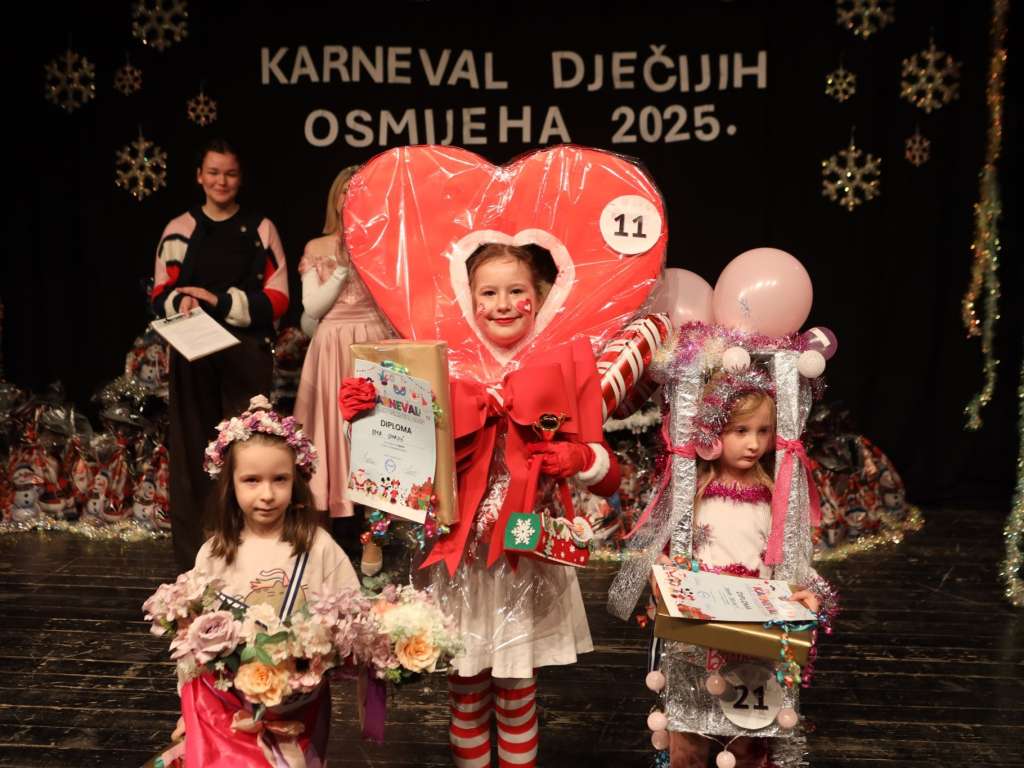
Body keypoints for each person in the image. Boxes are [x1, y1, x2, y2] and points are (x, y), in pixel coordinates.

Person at [424, 243, 620, 768]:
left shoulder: (561, 362)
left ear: (540, 297)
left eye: (517, 291)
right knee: (465, 685)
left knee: (517, 690)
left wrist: (579, 456)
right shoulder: (442, 362)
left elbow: (608, 472)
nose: (504, 304)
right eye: (489, 293)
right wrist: (369, 409)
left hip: (526, 556)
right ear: (467, 299)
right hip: (462, 558)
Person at [172, 395, 359, 766]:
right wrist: (186, 709)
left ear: (296, 481)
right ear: (230, 485)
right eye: (252, 481)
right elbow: (190, 639)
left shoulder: (318, 546)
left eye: (280, 480)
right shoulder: (214, 553)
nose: (267, 494)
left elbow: (352, 616)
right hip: (223, 707)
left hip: (298, 708)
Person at [657, 368, 827, 768]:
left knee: (747, 737)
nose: (754, 444)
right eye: (741, 431)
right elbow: (666, 550)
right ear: (714, 432)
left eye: (763, 431)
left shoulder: (774, 496)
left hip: (753, 630)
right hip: (699, 632)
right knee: (689, 738)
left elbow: (792, 558)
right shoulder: (693, 494)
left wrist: (806, 591)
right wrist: (662, 571)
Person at [150, 139, 289, 571]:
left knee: (247, 455)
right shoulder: (179, 229)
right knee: (193, 456)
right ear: (199, 176)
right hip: (193, 356)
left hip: (245, 357)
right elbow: (160, 294)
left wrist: (220, 301)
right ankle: (194, 563)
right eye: (213, 172)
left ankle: (250, 555)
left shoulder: (260, 228)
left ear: (239, 178)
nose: (221, 181)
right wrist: (183, 303)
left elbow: (279, 298)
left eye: (229, 173)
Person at [292, 165, 392, 568]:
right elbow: (312, 308)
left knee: (376, 440)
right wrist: (344, 268)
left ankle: (373, 539)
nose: (353, 199)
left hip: (373, 346)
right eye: (346, 192)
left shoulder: (385, 244)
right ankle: (321, 540)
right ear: (336, 199)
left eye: (362, 192)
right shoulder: (318, 247)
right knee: (326, 437)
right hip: (331, 347)